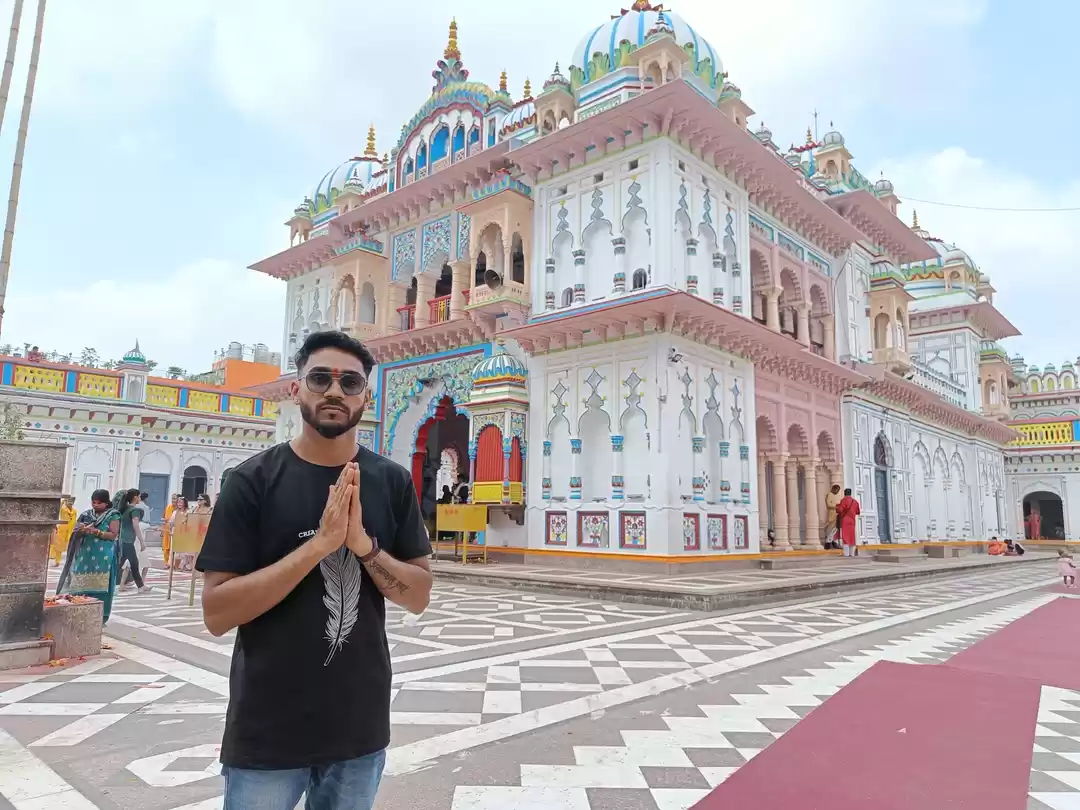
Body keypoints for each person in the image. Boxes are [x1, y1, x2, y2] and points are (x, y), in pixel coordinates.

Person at [196, 330, 432, 810]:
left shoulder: (390, 482)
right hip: (267, 731)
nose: (334, 391)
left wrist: (363, 547)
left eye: (350, 383)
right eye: (320, 378)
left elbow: (418, 596)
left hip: (357, 729)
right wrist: (319, 546)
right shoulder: (252, 482)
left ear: (367, 396)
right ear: (296, 388)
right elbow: (217, 613)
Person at [59, 489, 121, 622]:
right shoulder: (85, 515)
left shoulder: (113, 515)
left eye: (99, 503)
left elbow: (113, 535)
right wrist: (81, 530)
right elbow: (76, 532)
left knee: (102, 586)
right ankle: (78, 612)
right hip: (84, 555)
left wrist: (96, 532)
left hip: (104, 556)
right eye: (94, 502)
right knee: (79, 584)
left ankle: (99, 617)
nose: (96, 505)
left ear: (106, 503)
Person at [117, 489, 152, 594]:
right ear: (135, 497)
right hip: (128, 540)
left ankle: (140, 586)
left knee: (131, 563)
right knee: (128, 563)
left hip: (122, 539)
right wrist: (142, 541)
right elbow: (136, 526)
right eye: (139, 496)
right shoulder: (134, 510)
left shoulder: (124, 509)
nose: (140, 499)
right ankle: (138, 586)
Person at [49, 496, 77, 566]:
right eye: (69, 501)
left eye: (71, 502)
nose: (70, 503)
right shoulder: (63, 510)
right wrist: (63, 501)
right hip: (62, 530)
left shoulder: (74, 511)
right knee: (57, 545)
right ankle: (56, 560)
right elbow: (58, 508)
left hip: (69, 531)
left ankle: (64, 562)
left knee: (65, 546)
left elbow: (74, 520)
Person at [169, 497, 193, 571]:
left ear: (185, 504)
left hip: (184, 532)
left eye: (181, 503)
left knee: (183, 551)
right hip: (176, 531)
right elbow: (171, 522)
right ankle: (174, 565)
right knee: (175, 550)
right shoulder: (175, 512)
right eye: (178, 502)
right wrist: (171, 530)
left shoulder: (188, 512)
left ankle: (183, 565)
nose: (179, 504)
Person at [836, 488, 861, 557]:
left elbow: (840, 510)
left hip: (845, 520)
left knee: (845, 536)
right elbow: (858, 512)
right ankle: (851, 553)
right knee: (851, 536)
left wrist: (837, 508)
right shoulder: (855, 501)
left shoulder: (843, 500)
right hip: (852, 520)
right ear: (850, 493)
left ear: (845, 493)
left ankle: (846, 553)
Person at [162, 494, 178, 566]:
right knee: (166, 547)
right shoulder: (168, 507)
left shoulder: (180, 508)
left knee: (174, 547)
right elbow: (163, 518)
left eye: (175, 498)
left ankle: (173, 563)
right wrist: (162, 530)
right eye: (172, 498)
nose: (173, 500)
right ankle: (166, 563)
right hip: (167, 529)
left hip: (176, 530)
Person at [824, 484, 841, 549]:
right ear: (834, 489)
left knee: (835, 529)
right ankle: (828, 542)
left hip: (836, 514)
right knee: (830, 529)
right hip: (832, 513)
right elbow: (828, 504)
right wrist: (836, 505)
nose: (838, 492)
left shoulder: (835, 495)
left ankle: (832, 541)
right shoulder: (829, 495)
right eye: (837, 490)